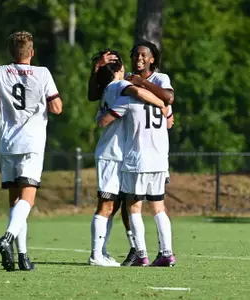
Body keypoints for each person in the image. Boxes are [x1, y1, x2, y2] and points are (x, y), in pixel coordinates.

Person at [0, 31, 62, 272]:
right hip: (32, 143)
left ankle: (22, 257)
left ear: (10, 53)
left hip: (7, 143)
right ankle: (8, 238)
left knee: (15, 202)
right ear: (32, 52)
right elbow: (57, 107)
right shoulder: (43, 73)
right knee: (28, 199)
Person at [89, 50, 167, 267]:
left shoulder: (107, 90)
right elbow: (139, 93)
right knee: (106, 205)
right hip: (111, 154)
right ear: (119, 71)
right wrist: (162, 105)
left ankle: (108, 251)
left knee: (116, 206)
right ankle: (96, 254)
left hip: (120, 155)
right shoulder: (119, 86)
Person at [121, 40, 176, 267]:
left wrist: (139, 83)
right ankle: (166, 254)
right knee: (156, 206)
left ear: (153, 59)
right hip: (154, 156)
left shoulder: (160, 79)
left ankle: (144, 254)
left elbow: (169, 101)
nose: (139, 58)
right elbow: (168, 112)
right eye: (135, 55)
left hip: (142, 156)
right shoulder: (129, 83)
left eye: (144, 55)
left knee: (136, 205)